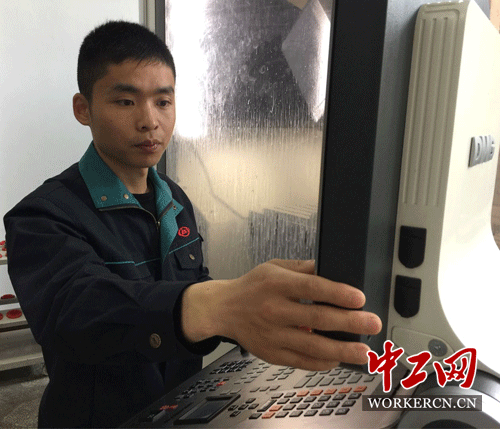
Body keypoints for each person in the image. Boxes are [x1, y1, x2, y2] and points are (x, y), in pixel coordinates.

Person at [3, 21, 382, 428]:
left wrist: (256, 316)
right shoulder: (42, 215)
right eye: (126, 102)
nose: (149, 121)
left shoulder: (174, 198)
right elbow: (77, 314)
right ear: (83, 109)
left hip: (181, 412)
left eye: (163, 101)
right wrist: (221, 305)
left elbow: (193, 286)